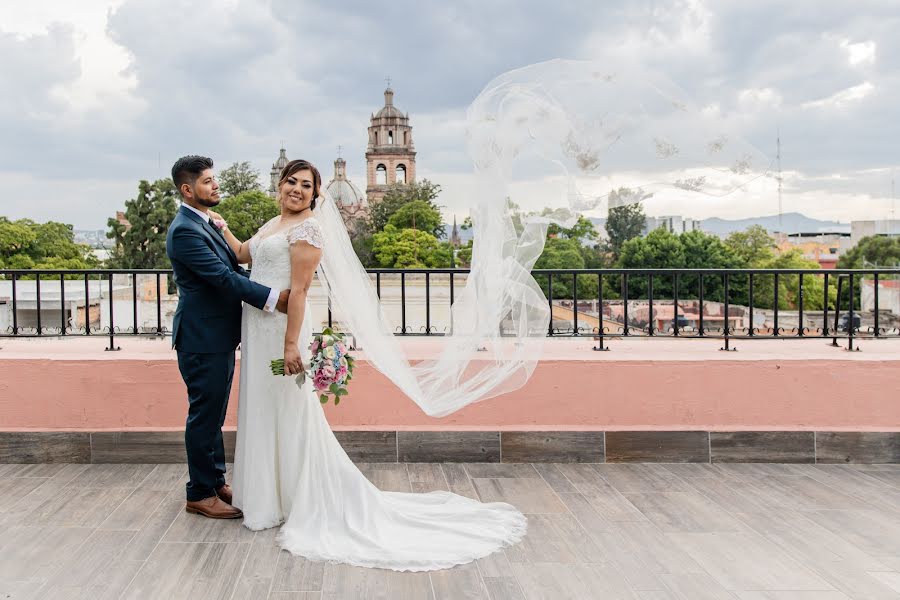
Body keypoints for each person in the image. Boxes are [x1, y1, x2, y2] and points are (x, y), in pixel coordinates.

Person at [213, 159, 526, 572]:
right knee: (262, 406)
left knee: (288, 410)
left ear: (315, 194)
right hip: (256, 329)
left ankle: (295, 497)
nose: (297, 189)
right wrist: (219, 225)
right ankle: (269, 495)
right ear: (281, 185)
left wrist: (292, 345)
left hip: (281, 331)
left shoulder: (308, 229)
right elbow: (240, 254)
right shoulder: (273, 224)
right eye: (291, 181)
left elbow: (302, 292)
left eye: (306, 185)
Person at [166, 155, 289, 519]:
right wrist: (272, 299)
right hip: (201, 338)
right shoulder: (185, 230)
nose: (216, 185)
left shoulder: (202, 223)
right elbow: (222, 278)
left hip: (214, 336)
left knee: (214, 414)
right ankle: (200, 493)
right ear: (188, 190)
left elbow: (234, 266)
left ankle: (215, 481)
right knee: (204, 416)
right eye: (207, 181)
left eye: (214, 178)